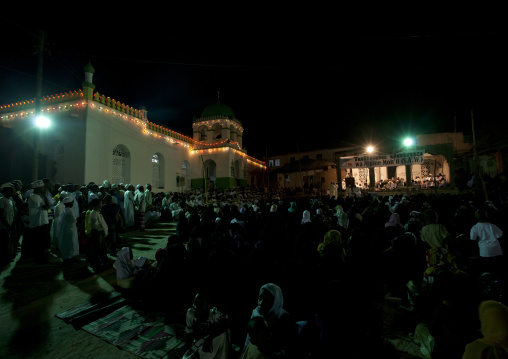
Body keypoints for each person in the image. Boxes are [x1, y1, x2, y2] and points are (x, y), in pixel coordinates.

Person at [243, 283, 295, 358]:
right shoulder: (256, 313)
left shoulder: (285, 320)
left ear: (275, 302)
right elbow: (248, 339)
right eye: (260, 298)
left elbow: (288, 348)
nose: (261, 303)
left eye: (266, 300)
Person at [183, 290, 231, 359]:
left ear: (209, 307)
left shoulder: (215, 315)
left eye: (201, 306)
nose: (196, 309)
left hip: (212, 343)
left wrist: (209, 338)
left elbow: (226, 324)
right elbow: (190, 333)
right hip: (200, 342)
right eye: (195, 305)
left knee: (223, 335)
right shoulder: (191, 313)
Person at [470, 209, 504, 275]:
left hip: (484, 252)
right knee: (497, 270)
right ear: (486, 216)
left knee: (487, 271)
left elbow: (473, 239)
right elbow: (500, 235)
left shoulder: (474, 228)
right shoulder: (492, 226)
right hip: (496, 250)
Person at [87, 198, 110, 271]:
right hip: (97, 233)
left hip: (99, 232)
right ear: (97, 204)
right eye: (100, 203)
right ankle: (97, 263)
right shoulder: (94, 214)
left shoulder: (97, 212)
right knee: (98, 248)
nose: (102, 204)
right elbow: (96, 225)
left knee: (101, 247)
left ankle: (102, 261)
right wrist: (102, 230)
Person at [55, 196, 79, 262]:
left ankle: (70, 256)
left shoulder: (65, 211)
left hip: (67, 230)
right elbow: (72, 220)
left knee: (68, 244)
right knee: (69, 244)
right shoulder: (68, 212)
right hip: (69, 231)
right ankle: (68, 258)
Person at [0, 182, 16, 263]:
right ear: (6, 191)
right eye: (10, 191)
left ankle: (7, 256)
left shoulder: (9, 200)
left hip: (9, 223)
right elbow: (1, 214)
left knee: (8, 241)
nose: (12, 193)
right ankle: (3, 258)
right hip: (4, 225)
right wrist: (6, 224)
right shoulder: (2, 200)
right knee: (4, 242)